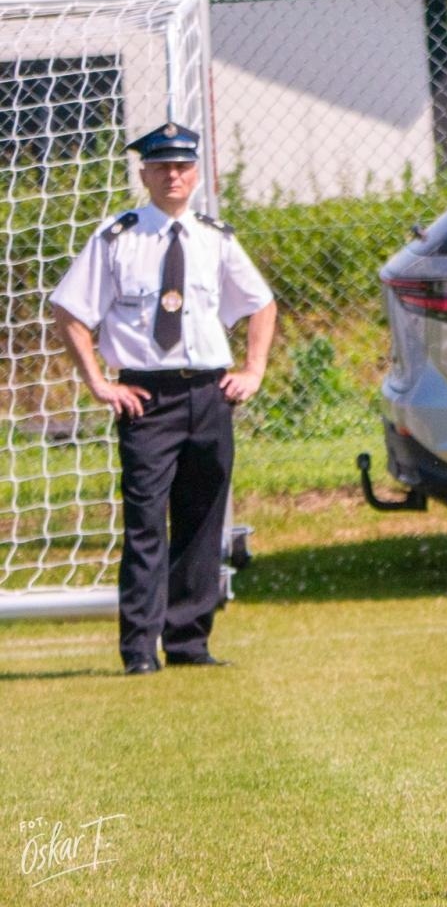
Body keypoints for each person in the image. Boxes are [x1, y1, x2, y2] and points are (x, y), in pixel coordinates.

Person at [50, 122, 276, 675]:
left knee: (202, 520)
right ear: (145, 174)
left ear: (195, 174)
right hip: (146, 398)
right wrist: (99, 382)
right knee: (146, 523)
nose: (173, 175)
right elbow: (69, 310)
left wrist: (253, 369)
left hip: (208, 391)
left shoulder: (215, 238)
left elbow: (261, 303)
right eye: (162, 167)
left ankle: (189, 642)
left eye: (182, 166)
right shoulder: (117, 238)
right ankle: (138, 650)